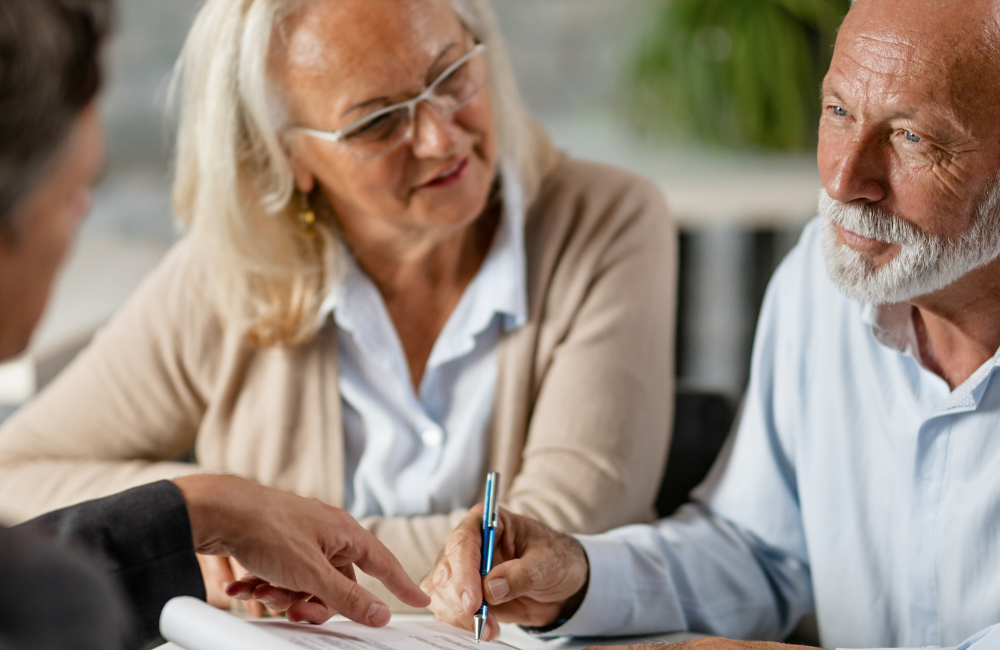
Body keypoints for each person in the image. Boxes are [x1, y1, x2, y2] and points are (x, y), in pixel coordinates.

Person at [0, 0, 677, 613]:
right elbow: (13, 473)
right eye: (378, 121)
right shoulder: (228, 272)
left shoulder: (608, 221)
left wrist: (275, 543)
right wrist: (206, 509)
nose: (442, 138)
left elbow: (553, 548)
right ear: (285, 153)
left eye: (452, 77)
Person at [421, 1, 1000, 649]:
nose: (842, 179)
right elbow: (758, 551)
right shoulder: (823, 275)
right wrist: (578, 576)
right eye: (838, 111)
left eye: (912, 137)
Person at [0, 1, 429, 647]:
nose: (437, 137)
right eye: (74, 194)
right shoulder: (45, 607)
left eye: (453, 76)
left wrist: (202, 508)